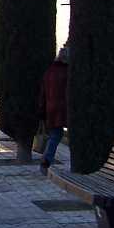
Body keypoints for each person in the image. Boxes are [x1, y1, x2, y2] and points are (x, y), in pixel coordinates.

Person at [38, 44, 70, 175]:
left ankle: (46, 160)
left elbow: (43, 92)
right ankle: (46, 160)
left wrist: (42, 110)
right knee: (60, 135)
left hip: (51, 108)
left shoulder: (50, 71)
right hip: (64, 107)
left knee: (55, 135)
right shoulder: (68, 72)